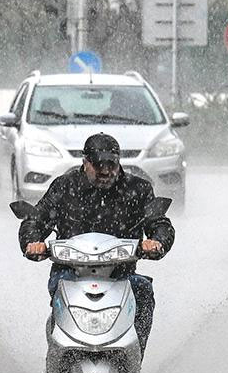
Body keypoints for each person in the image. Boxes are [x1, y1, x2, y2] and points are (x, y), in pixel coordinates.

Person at [18, 133, 175, 355]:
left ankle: (134, 358)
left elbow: (159, 223)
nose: (105, 171)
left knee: (143, 291)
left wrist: (157, 241)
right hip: (69, 272)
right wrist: (33, 242)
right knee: (60, 287)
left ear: (119, 162)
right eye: (98, 165)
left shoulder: (137, 189)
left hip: (121, 275)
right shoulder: (64, 187)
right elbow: (36, 219)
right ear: (85, 162)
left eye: (111, 164)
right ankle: (56, 357)